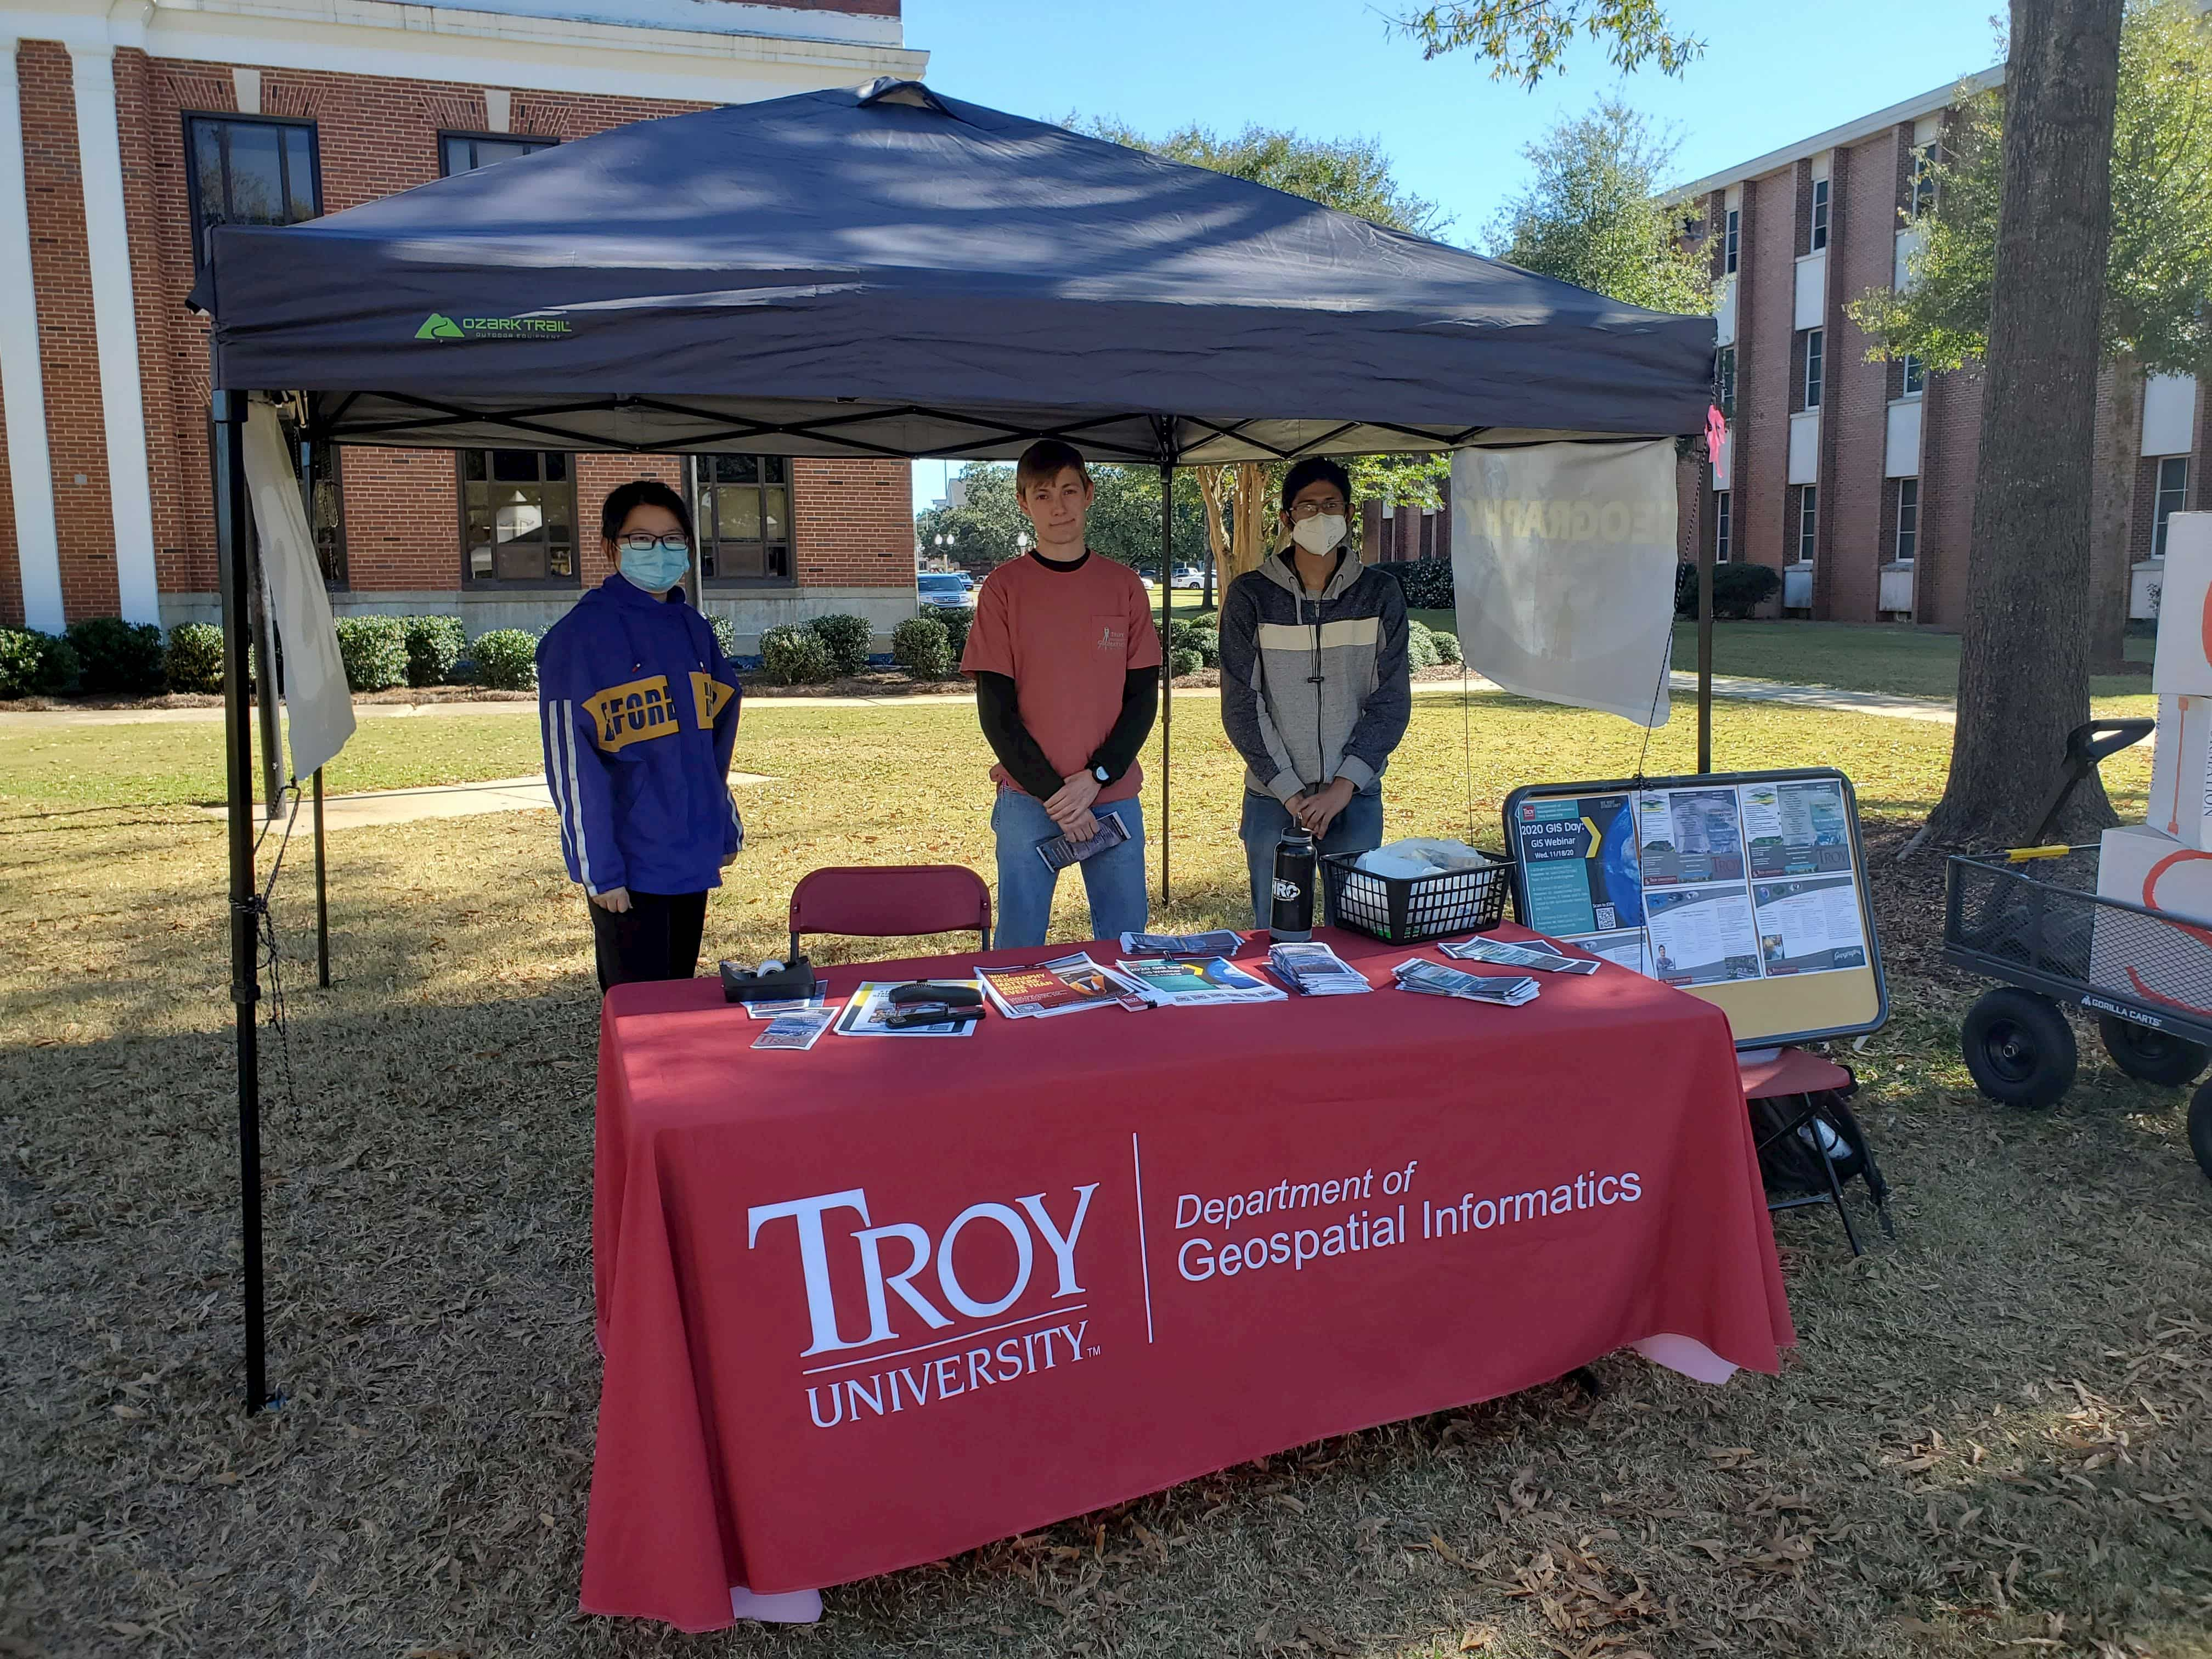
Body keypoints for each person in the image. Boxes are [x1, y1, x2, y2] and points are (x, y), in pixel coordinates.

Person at [538, 479, 745, 992]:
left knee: (677, 999)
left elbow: (714, 739)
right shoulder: (578, 639)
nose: (660, 551)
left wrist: (723, 824)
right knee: (637, 1014)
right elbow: (572, 763)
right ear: (612, 548)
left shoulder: (693, 629)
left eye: (673, 538)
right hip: (629, 865)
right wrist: (598, 869)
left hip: (689, 853)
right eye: (642, 539)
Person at [960, 439, 1162, 947]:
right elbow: (997, 714)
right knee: (1018, 954)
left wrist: (1095, 779)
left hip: (1111, 796)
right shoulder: (1004, 589)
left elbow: (1142, 701)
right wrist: (1057, 796)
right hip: (1031, 801)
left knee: (1127, 949)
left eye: (1070, 490)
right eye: (1044, 495)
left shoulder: (1124, 586)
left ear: (1090, 494)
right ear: (1023, 503)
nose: (1059, 506)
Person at [1218, 456, 1412, 930]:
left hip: (1355, 796)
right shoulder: (1250, 596)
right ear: (1286, 519)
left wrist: (1343, 786)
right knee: (1276, 933)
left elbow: (1391, 701)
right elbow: (1242, 705)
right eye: (1307, 507)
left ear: (1349, 515)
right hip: (1272, 800)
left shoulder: (1380, 594)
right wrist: (1290, 793)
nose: (1320, 517)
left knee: (1359, 933)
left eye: (1331, 505)